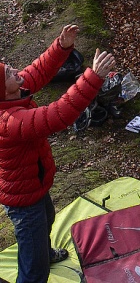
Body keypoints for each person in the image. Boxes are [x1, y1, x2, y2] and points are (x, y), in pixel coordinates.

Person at [0, 24, 116, 283]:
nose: (13, 69)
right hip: (23, 199)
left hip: (34, 184)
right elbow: (57, 115)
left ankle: (43, 252)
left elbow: (38, 71)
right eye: (7, 73)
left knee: (47, 219)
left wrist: (61, 47)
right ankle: (37, 262)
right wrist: (93, 77)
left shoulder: (12, 92)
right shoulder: (8, 121)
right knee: (34, 270)